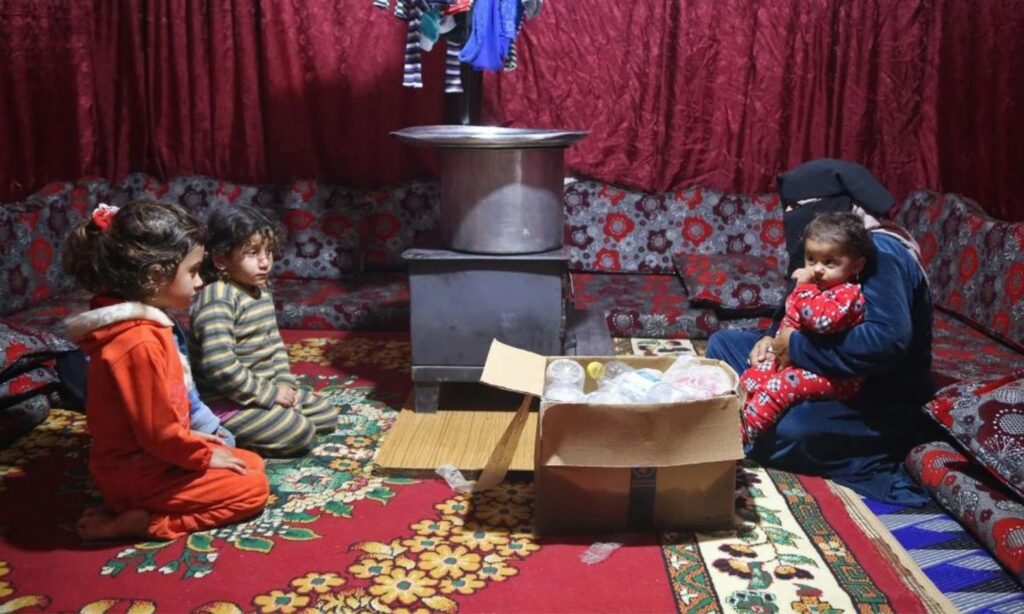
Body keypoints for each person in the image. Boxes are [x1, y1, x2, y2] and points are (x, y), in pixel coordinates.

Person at [706, 159, 937, 504]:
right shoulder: (825, 250)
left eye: (800, 208)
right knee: (723, 345)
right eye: (787, 208)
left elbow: (887, 343)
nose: (791, 216)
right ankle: (756, 410)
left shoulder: (879, 252)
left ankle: (757, 422)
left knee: (792, 430)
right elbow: (799, 308)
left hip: (872, 395)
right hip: (817, 366)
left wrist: (796, 348)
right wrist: (771, 339)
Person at [63, 201, 268, 542]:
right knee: (253, 488)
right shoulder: (138, 342)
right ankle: (145, 522)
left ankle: (142, 498)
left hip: (150, 457)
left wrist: (196, 443)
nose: (201, 281)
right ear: (155, 276)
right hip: (138, 472)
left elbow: (157, 422)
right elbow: (157, 434)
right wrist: (200, 456)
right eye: (192, 272)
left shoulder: (147, 325)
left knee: (251, 462)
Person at [189, 205, 339, 457]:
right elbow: (219, 365)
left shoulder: (260, 291)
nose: (264, 261)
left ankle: (274, 417)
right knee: (299, 432)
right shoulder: (218, 296)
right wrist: (270, 394)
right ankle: (224, 433)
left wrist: (283, 384)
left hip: (262, 393)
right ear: (220, 259)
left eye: (268, 251)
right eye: (252, 253)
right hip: (227, 402)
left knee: (326, 416)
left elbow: (275, 346)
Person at [739, 212, 872, 445]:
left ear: (856, 265)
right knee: (756, 372)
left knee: (780, 385)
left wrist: (804, 289)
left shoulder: (848, 294)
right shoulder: (818, 287)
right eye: (811, 260)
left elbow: (820, 321)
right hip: (799, 359)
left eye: (830, 262)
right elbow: (791, 319)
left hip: (833, 375)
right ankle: (740, 415)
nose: (817, 269)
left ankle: (743, 437)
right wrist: (771, 341)